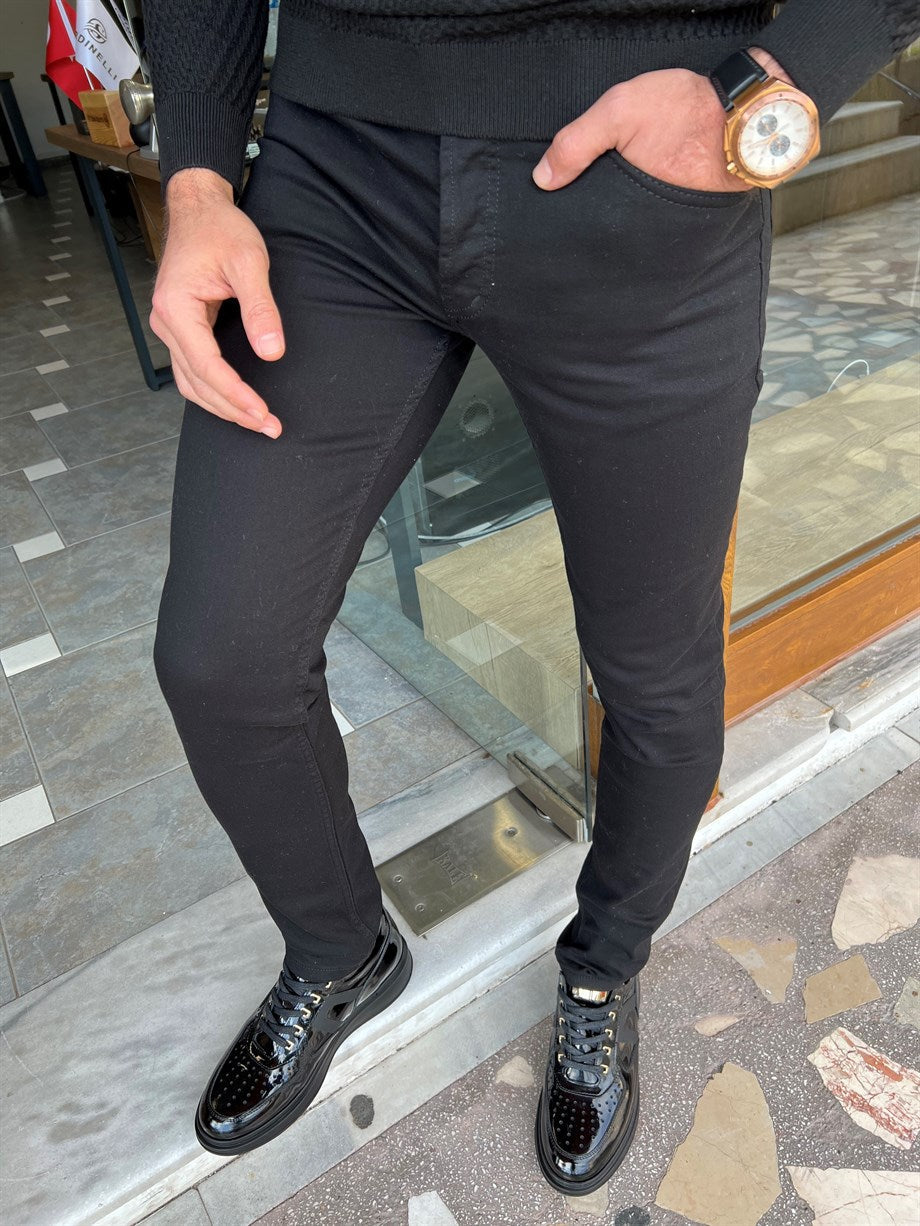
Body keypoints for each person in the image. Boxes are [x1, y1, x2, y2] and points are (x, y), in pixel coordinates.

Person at [145, 0, 919, 1196]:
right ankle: (339, 951)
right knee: (221, 656)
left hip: (644, 156)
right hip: (332, 172)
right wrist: (196, 175)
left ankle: (601, 969)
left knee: (652, 674)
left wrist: (774, 80)